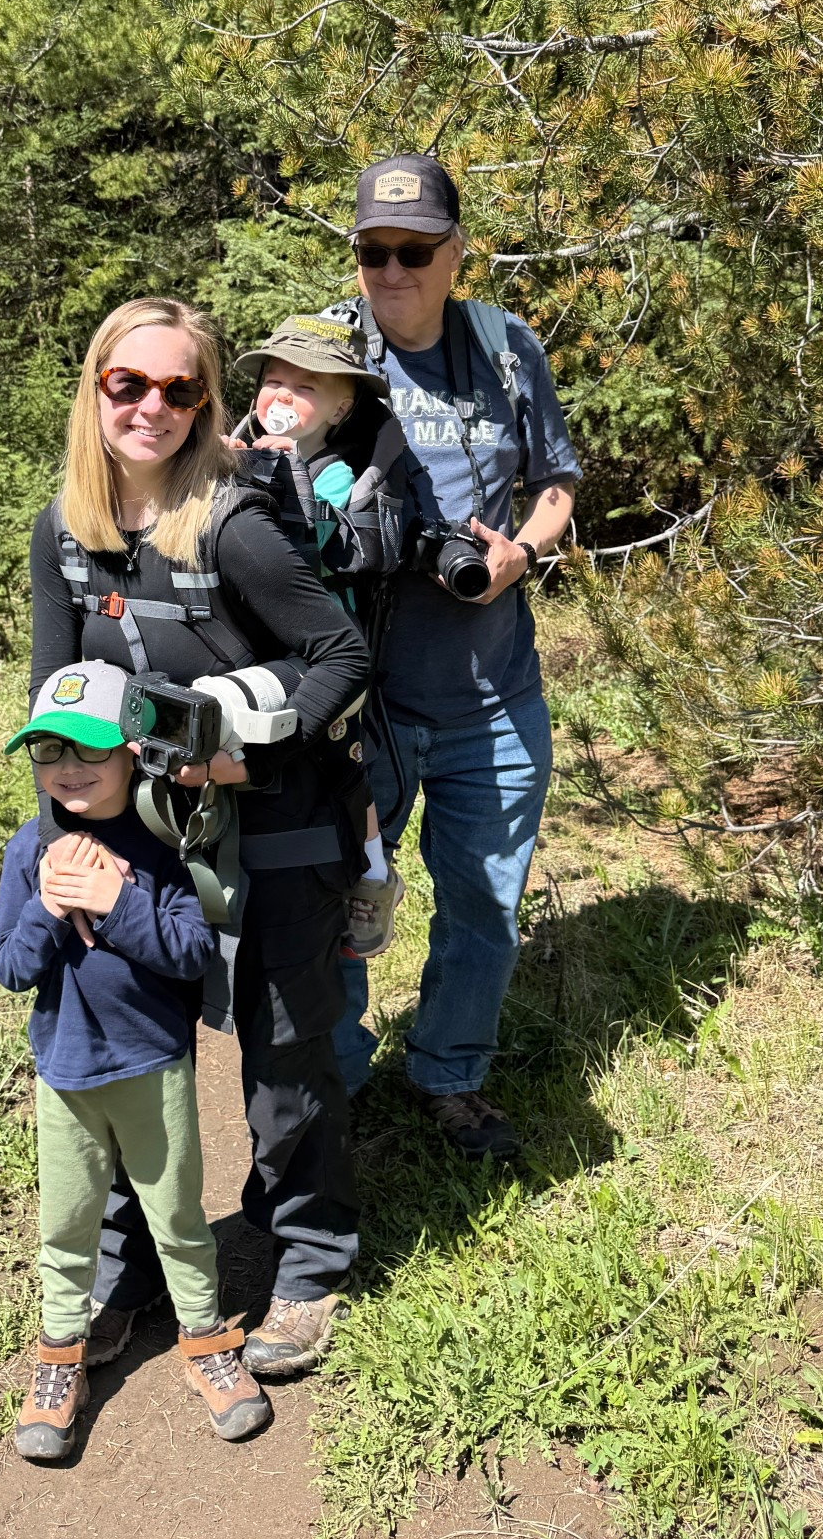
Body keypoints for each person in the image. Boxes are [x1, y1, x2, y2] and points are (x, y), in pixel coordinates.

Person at [29, 297, 370, 1379]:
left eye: (182, 388)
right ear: (95, 389)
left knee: (281, 1055)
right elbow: (51, 694)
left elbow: (342, 655)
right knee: (134, 1053)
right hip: (144, 840)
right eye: (130, 383)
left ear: (207, 401)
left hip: (278, 821)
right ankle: (129, 1277)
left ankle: (309, 1260)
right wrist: (60, 855)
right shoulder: (65, 531)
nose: (154, 406)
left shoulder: (232, 522)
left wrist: (246, 755)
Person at [331, 153, 581, 1163]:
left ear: (455, 252)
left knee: (485, 898)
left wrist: (520, 552)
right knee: (344, 898)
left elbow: (558, 479)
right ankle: (333, 1078)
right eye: (374, 250)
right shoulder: (330, 355)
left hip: (493, 692)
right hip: (365, 702)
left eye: (416, 249)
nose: (394, 270)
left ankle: (450, 1073)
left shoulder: (504, 346)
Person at [0, 659, 272, 1457]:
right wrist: (51, 904)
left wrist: (116, 903)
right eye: (47, 752)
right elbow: (11, 968)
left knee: (178, 1217)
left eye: (87, 749)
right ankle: (59, 1359)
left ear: (130, 752)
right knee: (67, 1225)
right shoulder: (29, 850)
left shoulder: (162, 840)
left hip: (154, 1066)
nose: (68, 770)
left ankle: (207, 1341)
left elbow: (189, 953)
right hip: (67, 1078)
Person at [231, 314, 407, 957]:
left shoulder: (332, 471)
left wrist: (284, 477)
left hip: (322, 648)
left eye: (306, 388)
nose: (282, 397)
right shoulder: (233, 452)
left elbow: (324, 535)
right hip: (255, 646)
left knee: (341, 764)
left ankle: (372, 872)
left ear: (341, 406)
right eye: (273, 381)